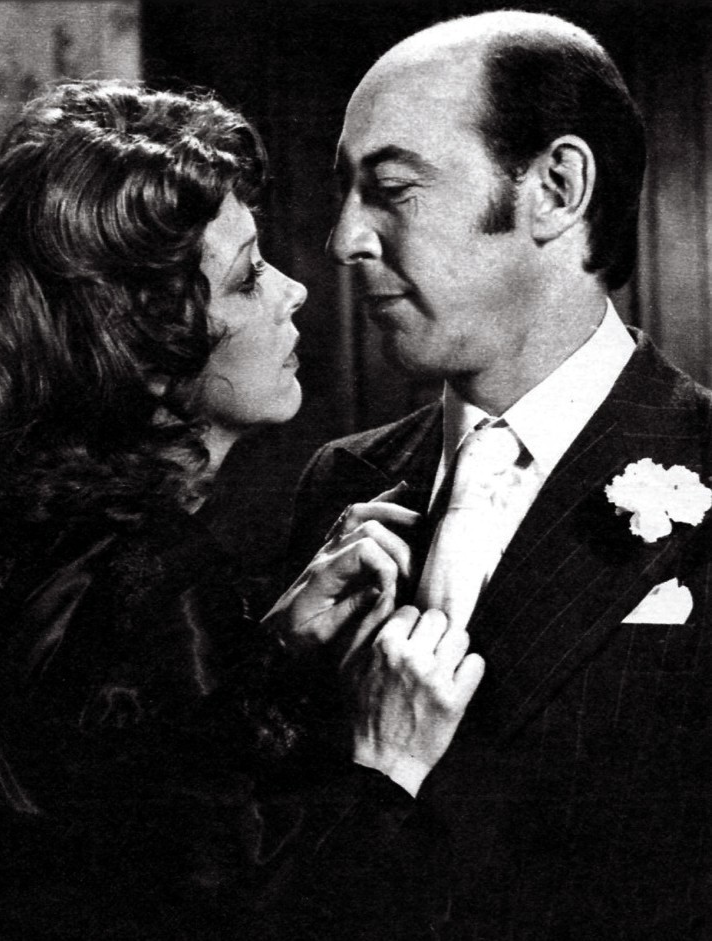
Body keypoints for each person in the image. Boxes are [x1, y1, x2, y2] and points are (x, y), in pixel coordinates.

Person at [0, 80, 485, 941]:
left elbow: (122, 808)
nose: (294, 290)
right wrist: (386, 762)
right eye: (248, 276)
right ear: (146, 348)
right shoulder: (155, 579)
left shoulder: (30, 541)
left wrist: (264, 649)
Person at [287, 11, 712, 940]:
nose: (345, 239)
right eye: (346, 193)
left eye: (391, 189)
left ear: (556, 189)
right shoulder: (341, 484)